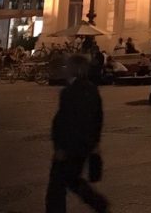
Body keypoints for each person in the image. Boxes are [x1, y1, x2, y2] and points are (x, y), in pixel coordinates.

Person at [45, 55, 109, 213]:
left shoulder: (70, 92)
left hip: (69, 147)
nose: (65, 69)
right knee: (72, 180)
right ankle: (98, 203)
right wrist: (94, 143)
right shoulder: (92, 89)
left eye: (68, 66)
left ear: (74, 69)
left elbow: (66, 121)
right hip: (83, 145)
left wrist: (60, 147)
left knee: (56, 187)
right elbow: (98, 118)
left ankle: (98, 203)